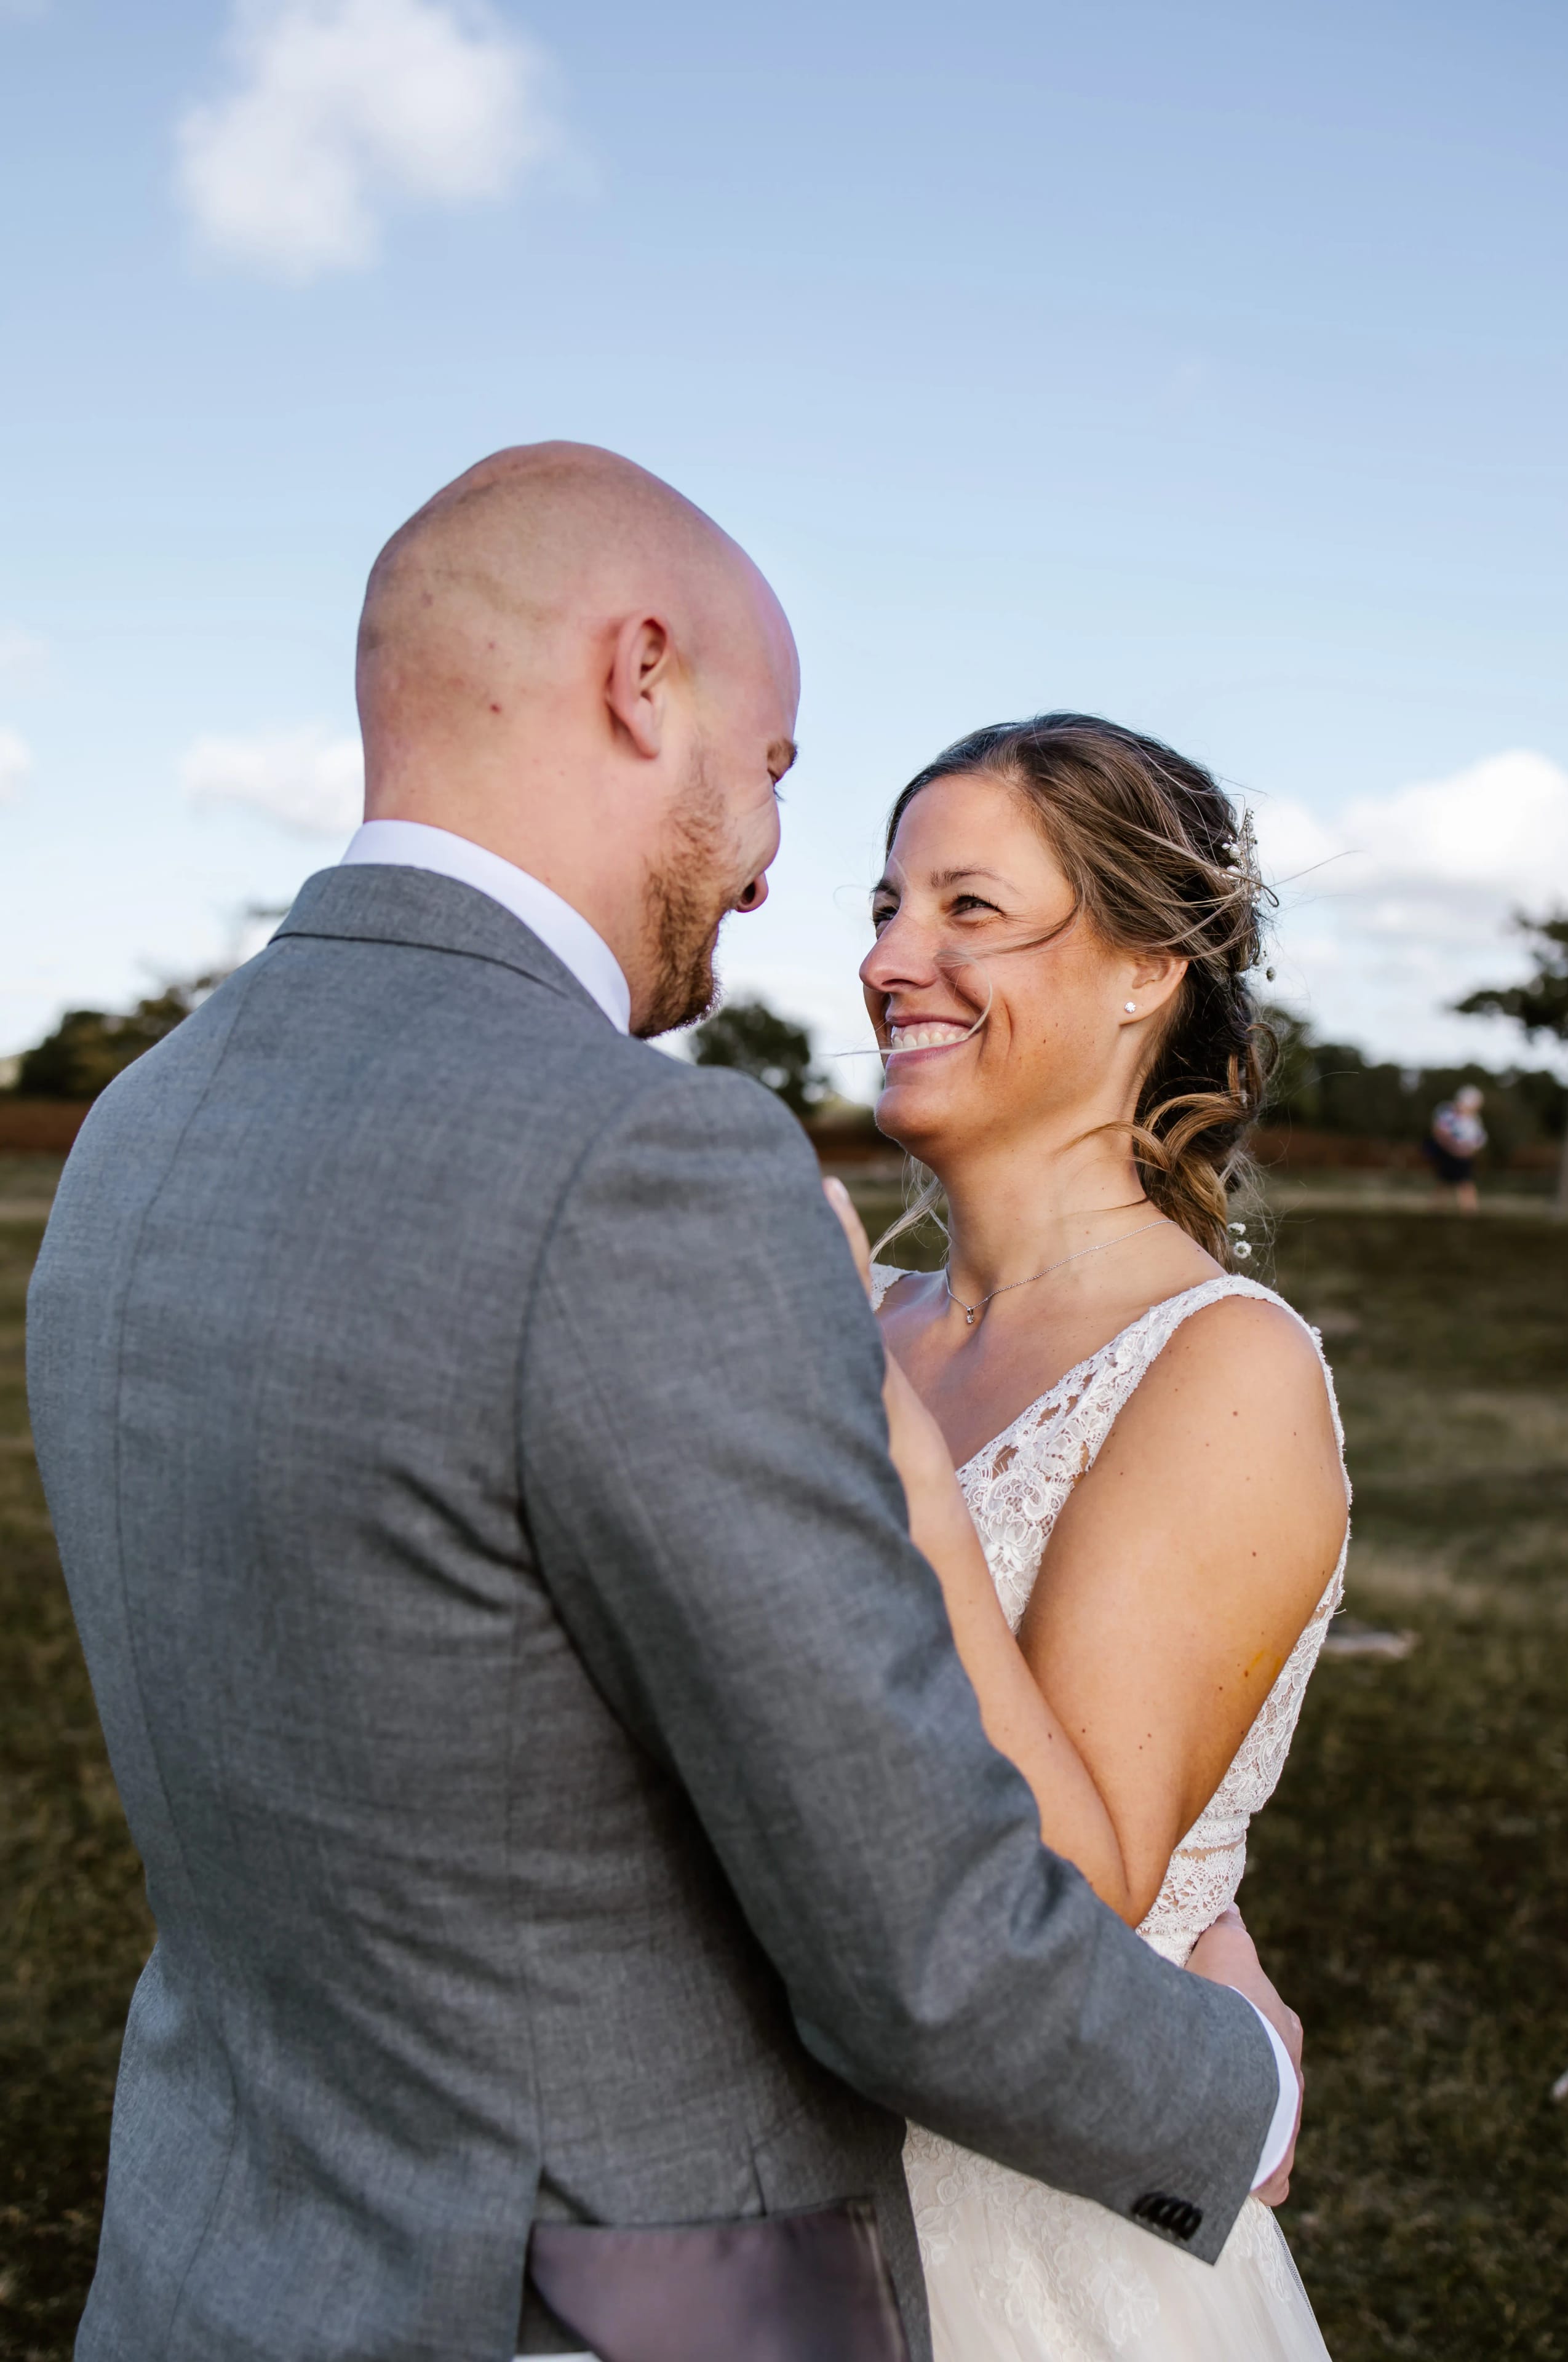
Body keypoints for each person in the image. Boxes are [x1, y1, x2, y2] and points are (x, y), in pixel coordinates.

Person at [28, 450, 1300, 2362]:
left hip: (235, 2263)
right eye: (777, 767)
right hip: (588, 2295)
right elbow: (924, 1950)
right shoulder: (635, 1166)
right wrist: (1247, 2087)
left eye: (963, 903)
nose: (803, 885)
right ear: (641, 678)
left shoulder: (145, 1125)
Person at [829, 714, 1350, 2360]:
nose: (890, 958)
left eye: (970, 909)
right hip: (746, 2206)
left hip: (1027, 2244)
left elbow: (1070, 1883)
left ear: (1149, 969)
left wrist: (902, 1475)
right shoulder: (849, 1316)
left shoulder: (1225, 1367)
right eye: (887, 903)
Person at [1425, 1081, 1487, 1211]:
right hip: (1449, 1154)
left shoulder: (1474, 1119)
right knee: (1447, 1183)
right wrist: (1453, 1147)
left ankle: (1468, 1211)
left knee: (1464, 1183)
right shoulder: (1447, 1112)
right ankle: (1438, 1210)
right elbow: (1439, 1132)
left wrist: (1469, 1150)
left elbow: (1479, 1140)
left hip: (1464, 1157)